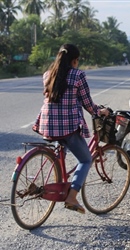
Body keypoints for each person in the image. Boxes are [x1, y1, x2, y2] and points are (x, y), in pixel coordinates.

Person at [32, 44, 109, 214]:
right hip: (67, 125)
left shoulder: (47, 74)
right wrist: (100, 111)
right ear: (75, 60)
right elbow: (87, 103)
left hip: (47, 124)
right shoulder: (78, 75)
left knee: (61, 149)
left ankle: (57, 181)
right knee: (85, 160)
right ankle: (72, 197)